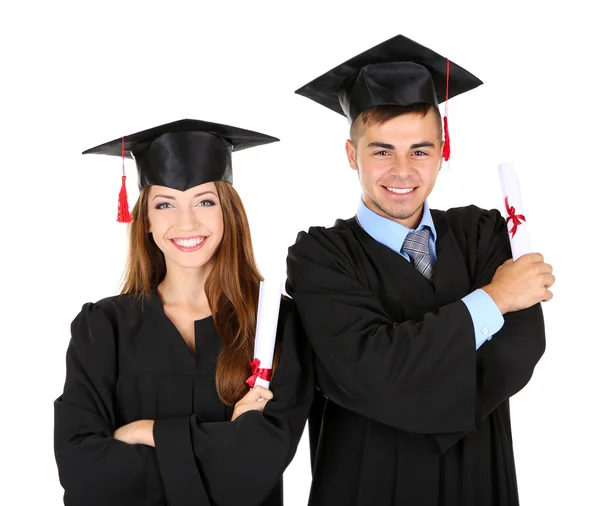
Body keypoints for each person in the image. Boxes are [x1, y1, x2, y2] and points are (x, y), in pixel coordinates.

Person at [287, 34, 554, 506]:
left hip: (477, 477)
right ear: (352, 155)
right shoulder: (320, 256)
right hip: (364, 480)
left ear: (442, 150)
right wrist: (491, 301)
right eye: (382, 150)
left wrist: (396, 382)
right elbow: (365, 370)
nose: (403, 170)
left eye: (420, 149)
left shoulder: (485, 233)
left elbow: (521, 347)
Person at [54, 119, 314, 506]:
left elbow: (256, 466)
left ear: (228, 213)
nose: (186, 222)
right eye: (165, 204)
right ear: (146, 221)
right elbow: (83, 473)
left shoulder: (275, 323)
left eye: (205, 201)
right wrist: (220, 446)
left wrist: (143, 432)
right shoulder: (103, 328)